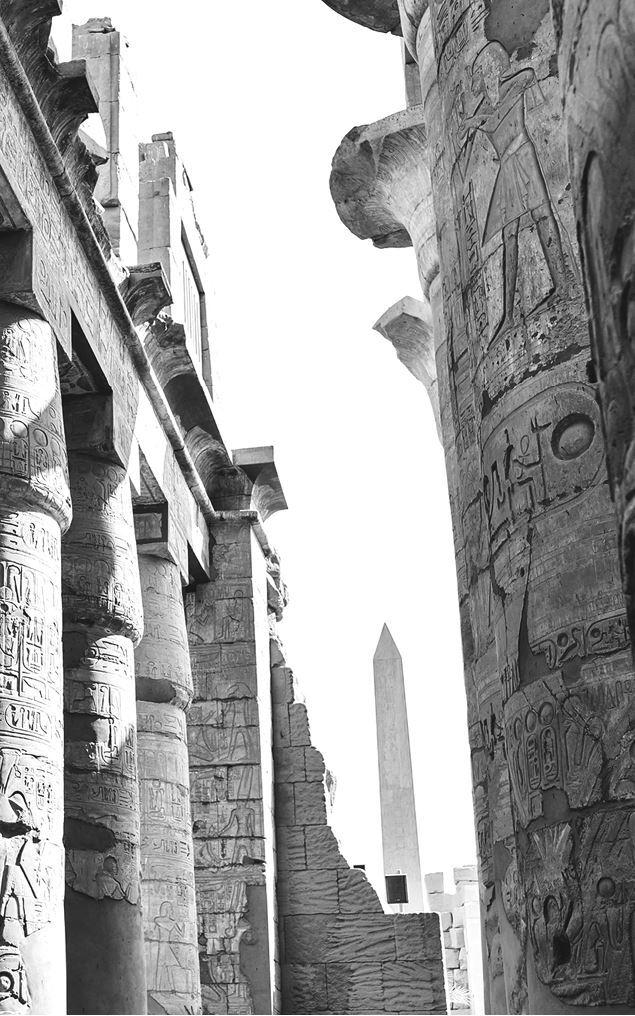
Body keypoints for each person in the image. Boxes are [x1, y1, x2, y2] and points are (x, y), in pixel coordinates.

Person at [460, 41, 569, 337]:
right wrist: (474, 124)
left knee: (542, 216)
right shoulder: (484, 108)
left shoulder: (513, 85)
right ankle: (508, 315)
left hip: (523, 154)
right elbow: (471, 148)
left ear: (496, 68)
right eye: (481, 74)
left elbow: (529, 76)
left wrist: (480, 120)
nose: (483, 80)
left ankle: (562, 285)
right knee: (509, 235)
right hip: (507, 167)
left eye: (486, 70)